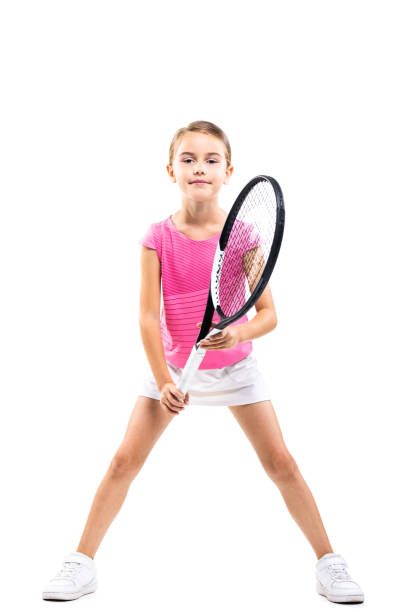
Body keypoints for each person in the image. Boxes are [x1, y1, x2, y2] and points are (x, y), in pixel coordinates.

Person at [42, 120, 364, 604]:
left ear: (228, 170)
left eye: (211, 160)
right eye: (188, 159)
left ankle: (330, 564)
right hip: (171, 371)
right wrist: (162, 381)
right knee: (123, 461)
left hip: (236, 369)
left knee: (281, 463)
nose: (200, 168)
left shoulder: (244, 235)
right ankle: (81, 562)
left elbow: (269, 315)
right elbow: (149, 319)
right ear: (170, 169)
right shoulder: (157, 237)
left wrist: (239, 331)